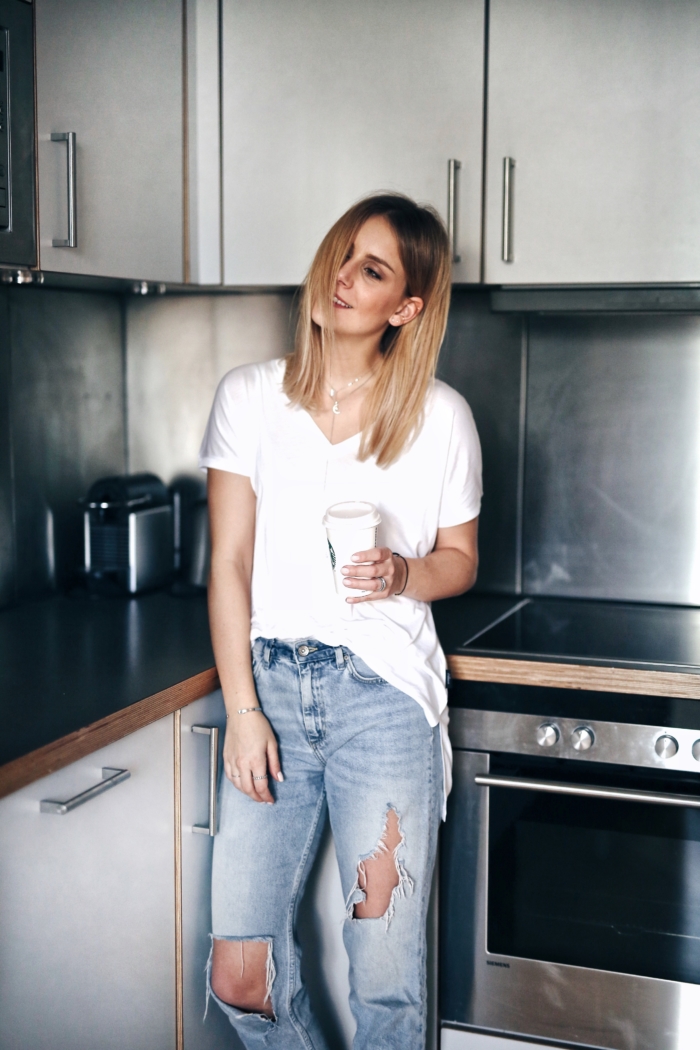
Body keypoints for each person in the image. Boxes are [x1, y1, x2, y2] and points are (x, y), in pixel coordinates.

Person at [198, 192, 482, 1050]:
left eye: (374, 269)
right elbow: (230, 567)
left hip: (383, 699)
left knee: (387, 982)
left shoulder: (440, 416)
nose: (343, 278)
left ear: (406, 307)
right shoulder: (250, 397)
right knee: (240, 976)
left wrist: (403, 570)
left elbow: (460, 563)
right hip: (271, 693)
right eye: (342, 254)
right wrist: (242, 711)